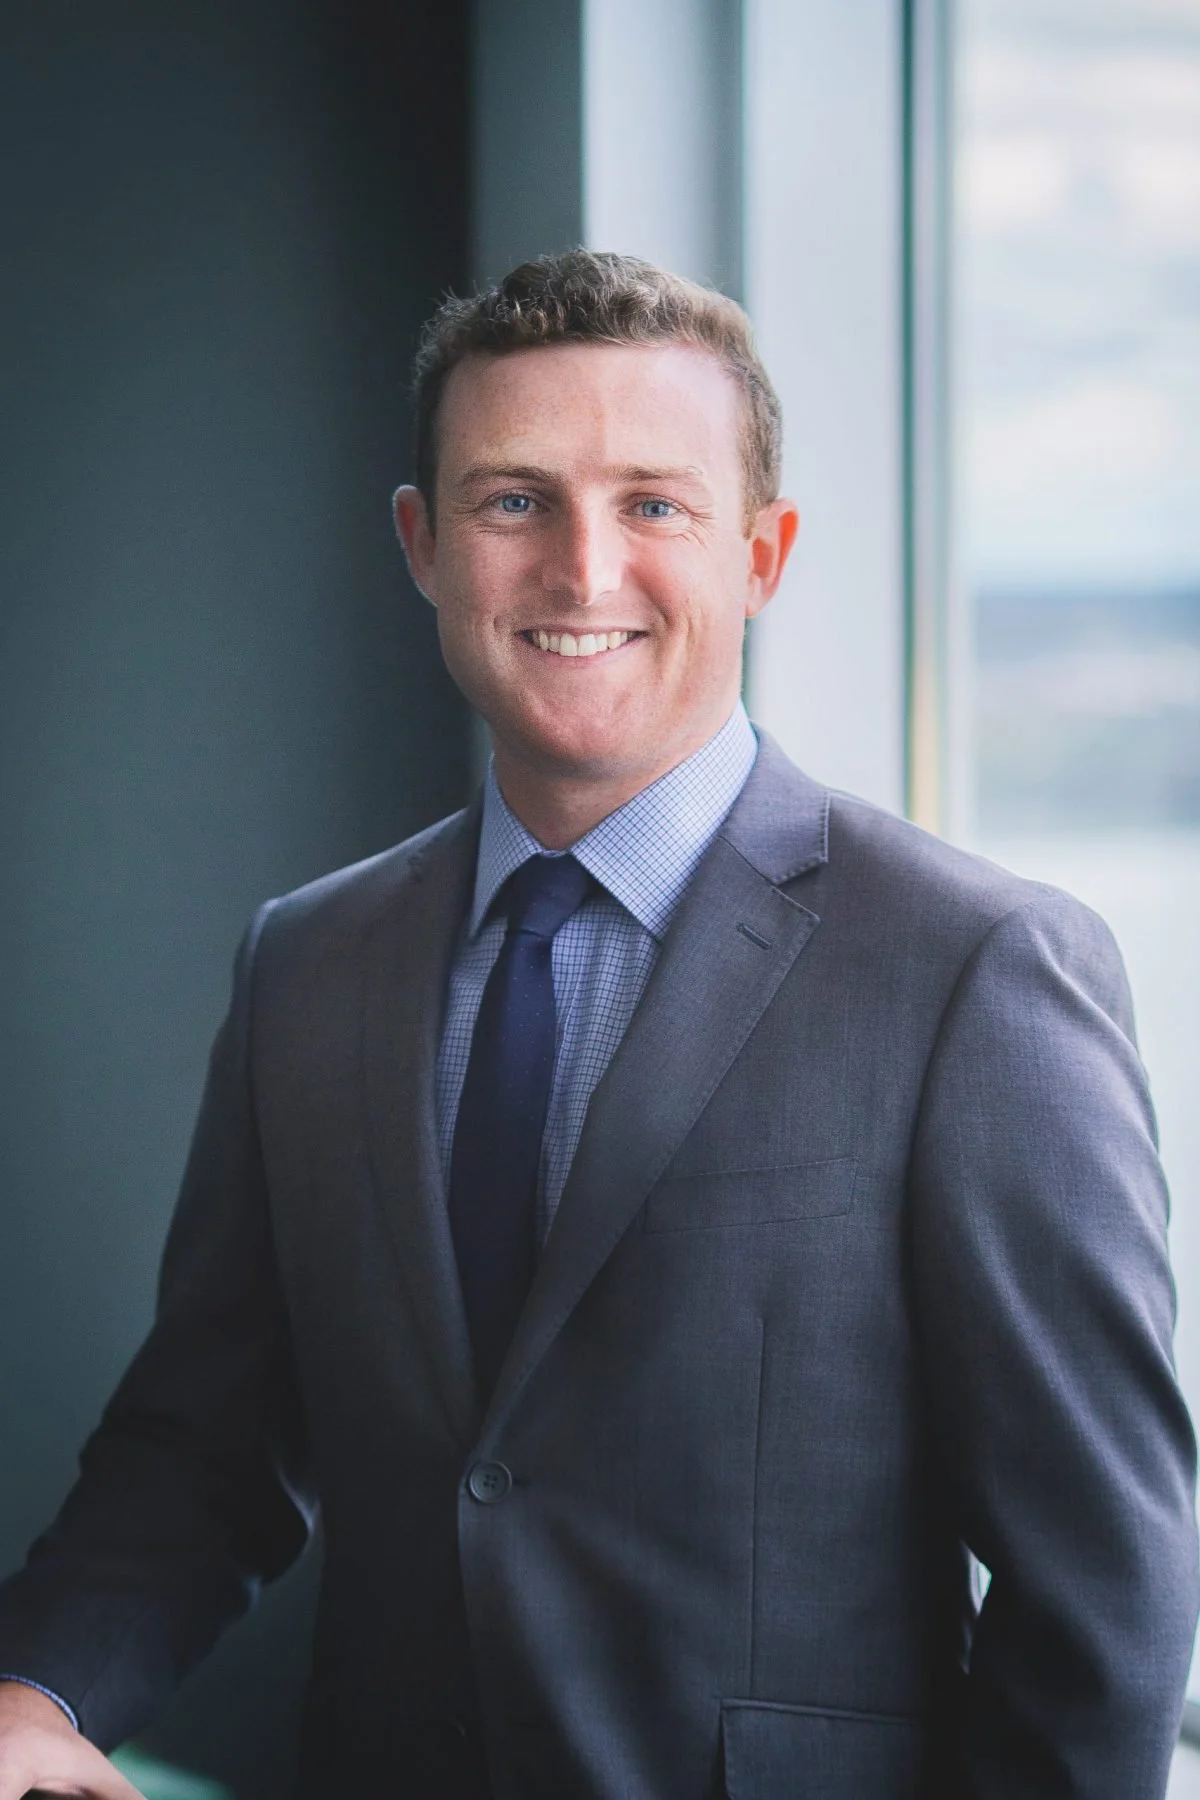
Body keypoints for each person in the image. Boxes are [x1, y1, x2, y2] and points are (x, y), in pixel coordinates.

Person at [0, 249, 1195, 1800]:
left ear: (762, 554)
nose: (582, 570)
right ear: (423, 545)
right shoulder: (308, 964)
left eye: (654, 505)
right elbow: (200, 1453)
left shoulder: (976, 972)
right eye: (514, 501)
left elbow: (1103, 1594)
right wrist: (34, 1693)